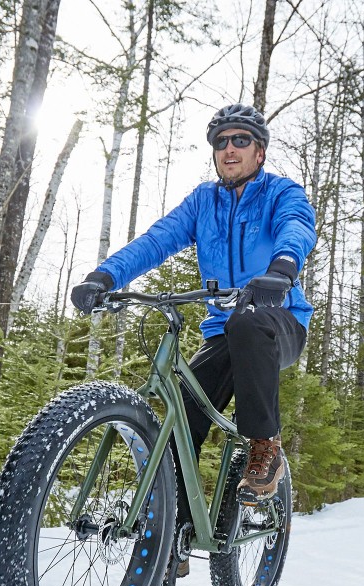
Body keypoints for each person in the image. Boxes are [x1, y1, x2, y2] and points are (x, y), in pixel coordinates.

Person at [71, 103, 316, 532]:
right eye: (221, 142)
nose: (229, 148)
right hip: (222, 332)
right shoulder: (204, 201)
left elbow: (298, 225)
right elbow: (157, 239)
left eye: (241, 140)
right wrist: (105, 275)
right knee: (181, 416)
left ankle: (265, 446)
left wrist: (282, 268)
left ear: (259, 152)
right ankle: (175, 534)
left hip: (278, 321)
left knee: (248, 321)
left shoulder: (281, 193)